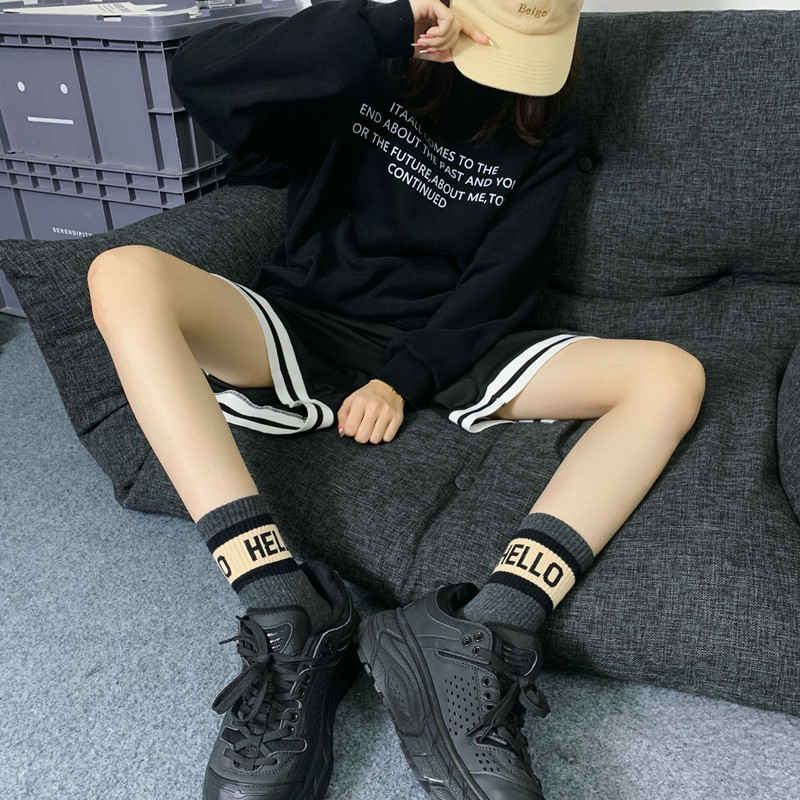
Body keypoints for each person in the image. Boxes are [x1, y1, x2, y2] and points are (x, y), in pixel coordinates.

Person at [86, 0, 705, 798]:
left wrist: (401, 378)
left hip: (450, 348)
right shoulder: (363, 60)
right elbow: (202, 75)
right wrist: (380, 24)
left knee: (670, 375)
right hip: (305, 323)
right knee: (120, 273)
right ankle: (284, 605)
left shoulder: (552, 131)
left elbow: (497, 286)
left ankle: (488, 629)